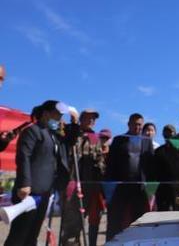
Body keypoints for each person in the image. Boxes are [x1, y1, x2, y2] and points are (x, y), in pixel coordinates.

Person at [5, 100, 70, 246]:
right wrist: (24, 183)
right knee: (19, 233)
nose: (59, 119)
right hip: (29, 191)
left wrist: (75, 121)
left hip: (45, 192)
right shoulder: (32, 131)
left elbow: (69, 141)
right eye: (57, 115)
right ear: (46, 114)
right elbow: (23, 157)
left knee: (33, 234)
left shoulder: (53, 135)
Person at [105, 113, 154, 241]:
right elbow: (110, 163)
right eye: (135, 124)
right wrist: (109, 186)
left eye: (139, 125)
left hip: (139, 187)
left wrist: (150, 187)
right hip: (120, 186)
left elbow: (150, 165)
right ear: (128, 124)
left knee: (139, 219)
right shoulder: (118, 140)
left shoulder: (147, 141)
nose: (137, 127)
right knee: (115, 220)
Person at [60, 109, 106, 246]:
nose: (92, 121)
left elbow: (100, 160)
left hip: (89, 185)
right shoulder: (71, 132)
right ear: (81, 119)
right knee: (70, 223)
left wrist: (101, 168)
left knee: (81, 220)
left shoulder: (95, 137)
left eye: (94, 118)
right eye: (89, 118)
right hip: (72, 183)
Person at [154, 124, 178, 211]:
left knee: (178, 212)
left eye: (171, 132)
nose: (168, 135)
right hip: (162, 188)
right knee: (162, 212)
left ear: (175, 134)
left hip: (177, 187)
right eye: (166, 133)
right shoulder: (158, 151)